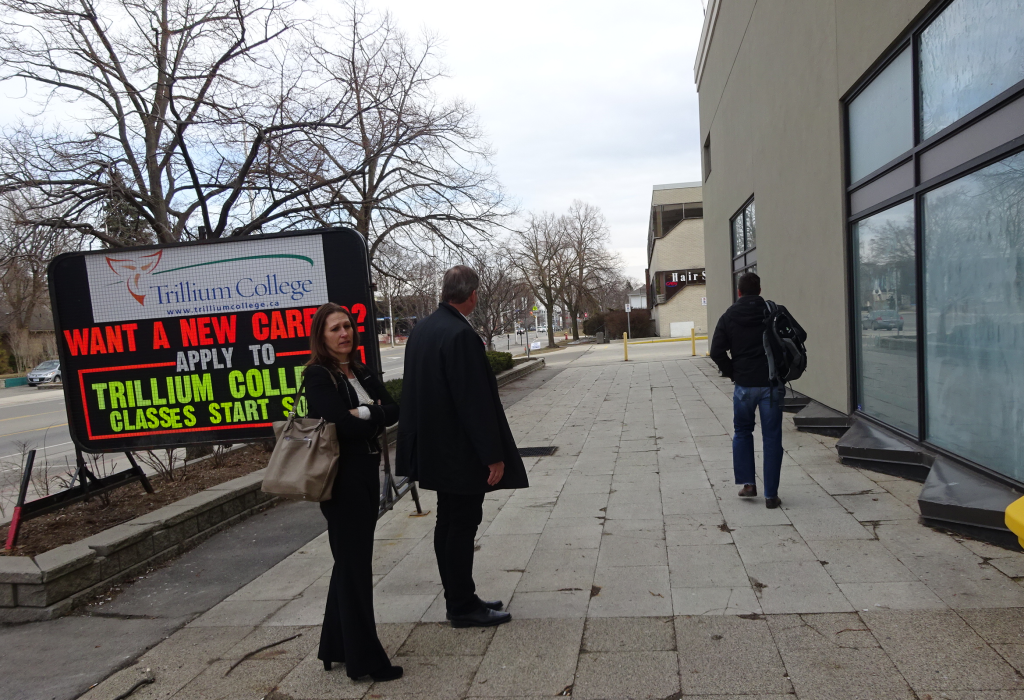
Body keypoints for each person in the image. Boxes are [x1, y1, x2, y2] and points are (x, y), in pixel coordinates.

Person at [397, 265, 529, 628]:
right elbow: (474, 402)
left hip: (435, 449)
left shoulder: (423, 330)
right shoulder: (459, 334)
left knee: (448, 523)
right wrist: (493, 456)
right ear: (472, 295)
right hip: (460, 452)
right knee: (461, 525)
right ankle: (461, 605)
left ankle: (461, 596)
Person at [304, 303, 403, 682]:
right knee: (355, 566)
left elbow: (394, 409)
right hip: (341, 482)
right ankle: (365, 661)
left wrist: (366, 414)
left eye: (347, 326)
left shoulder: (359, 369)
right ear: (322, 336)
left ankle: (336, 646)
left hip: (365, 475)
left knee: (348, 563)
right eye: (334, 329)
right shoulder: (318, 375)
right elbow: (341, 426)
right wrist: (369, 414)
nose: (344, 333)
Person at [710, 272, 805, 509]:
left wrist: (733, 372)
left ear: (739, 292)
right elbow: (800, 335)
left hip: (744, 387)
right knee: (772, 437)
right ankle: (771, 495)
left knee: (742, 431)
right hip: (772, 385)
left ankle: (748, 484)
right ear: (760, 290)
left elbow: (716, 352)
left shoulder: (728, 316)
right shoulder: (774, 310)